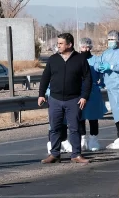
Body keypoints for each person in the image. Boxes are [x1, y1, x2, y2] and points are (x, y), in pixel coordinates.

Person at [38, 33, 92, 164]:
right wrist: (41, 94)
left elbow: (88, 79)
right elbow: (45, 77)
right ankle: (54, 154)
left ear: (69, 44)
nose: (58, 45)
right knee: (55, 128)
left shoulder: (80, 59)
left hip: (73, 99)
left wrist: (84, 96)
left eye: (61, 43)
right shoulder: (53, 59)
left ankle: (76, 155)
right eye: (58, 43)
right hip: (55, 99)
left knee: (74, 128)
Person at [78, 38, 106, 151]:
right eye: (83, 47)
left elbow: (102, 74)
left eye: (88, 47)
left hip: (93, 91)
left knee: (93, 117)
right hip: (79, 91)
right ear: (80, 47)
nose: (86, 49)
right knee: (80, 117)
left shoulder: (96, 60)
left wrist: (101, 84)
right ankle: (82, 139)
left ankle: (93, 140)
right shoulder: (75, 59)